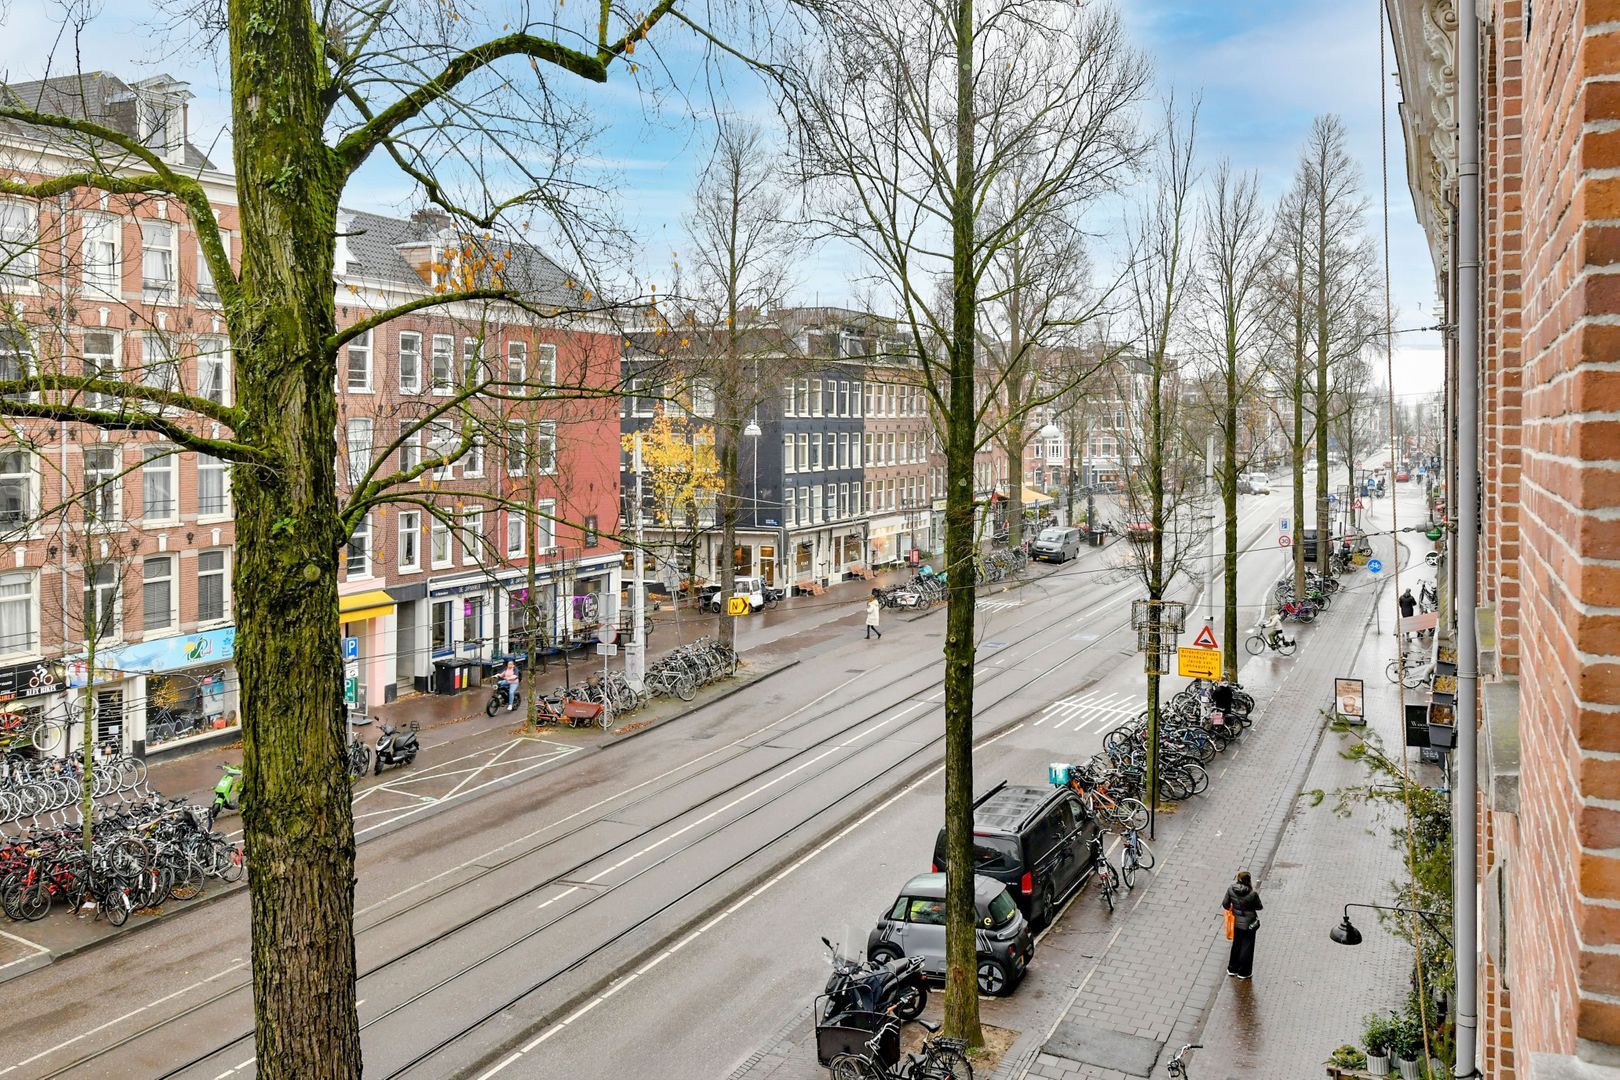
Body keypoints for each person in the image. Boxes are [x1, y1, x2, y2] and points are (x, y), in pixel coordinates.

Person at [1222, 870, 1263, 979]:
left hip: (1236, 923)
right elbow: (1259, 907)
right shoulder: (1252, 894)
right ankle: (1244, 972)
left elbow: (1225, 904)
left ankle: (1232, 969)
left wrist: (1234, 908)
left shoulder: (1231, 889)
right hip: (1249, 925)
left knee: (1236, 945)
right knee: (1247, 948)